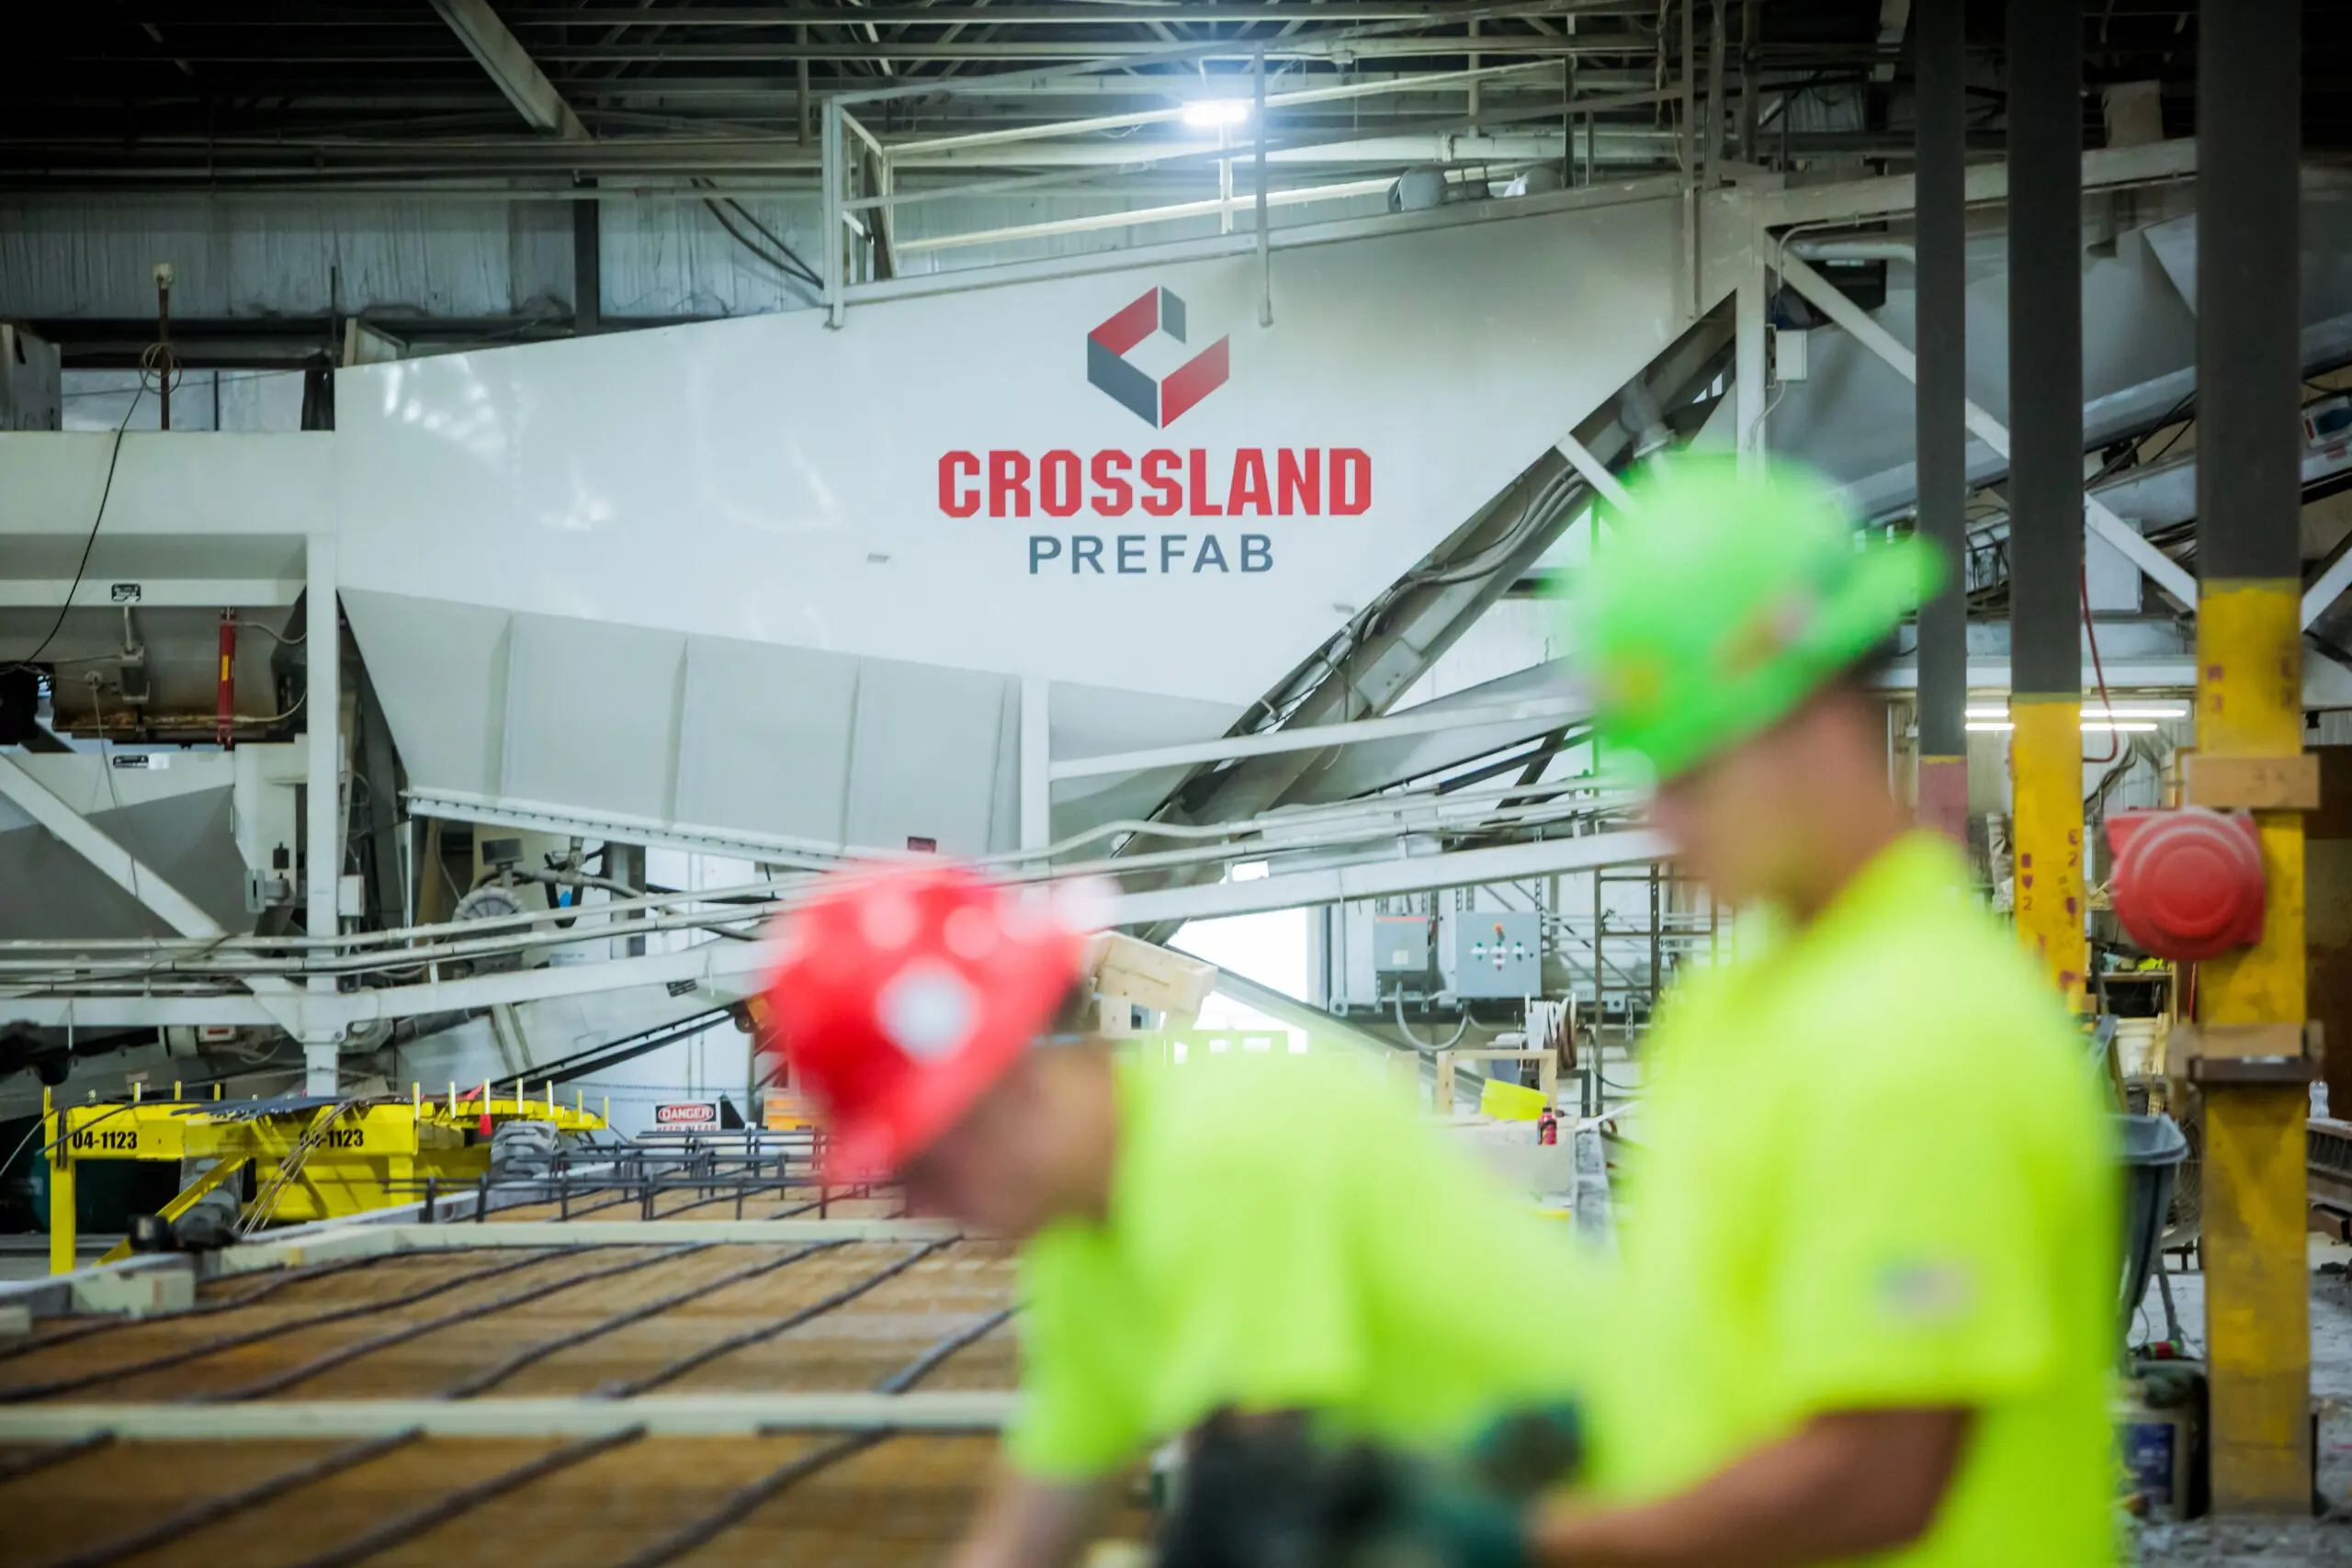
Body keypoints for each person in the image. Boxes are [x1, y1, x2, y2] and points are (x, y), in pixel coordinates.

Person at [1436, 456, 2116, 1567]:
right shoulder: (1734, 995)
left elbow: (1874, 1477)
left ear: (1815, 720)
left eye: (1694, 767)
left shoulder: (1927, 1030)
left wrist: (1538, 1542)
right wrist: (1581, 1424)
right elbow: (1727, 1331)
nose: (1661, 818)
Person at [761, 863, 1597, 1568]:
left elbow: (1264, 1505)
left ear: (1004, 1092)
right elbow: (1038, 1513)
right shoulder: (1085, 1239)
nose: (923, 1214)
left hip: (1612, 1497)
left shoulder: (1226, 1150)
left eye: (923, 1171)